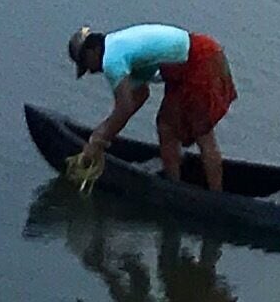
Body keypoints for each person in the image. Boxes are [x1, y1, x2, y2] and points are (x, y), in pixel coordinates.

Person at [65, 24, 237, 190]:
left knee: (203, 134)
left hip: (199, 61)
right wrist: (102, 132)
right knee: (166, 128)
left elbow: (125, 107)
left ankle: (215, 195)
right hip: (195, 60)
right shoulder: (118, 47)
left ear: (93, 51)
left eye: (86, 64)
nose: (91, 71)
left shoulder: (111, 60)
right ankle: (174, 185)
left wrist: (100, 140)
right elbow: (140, 95)